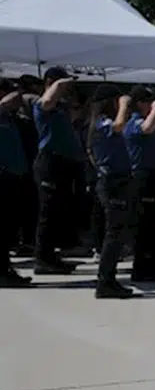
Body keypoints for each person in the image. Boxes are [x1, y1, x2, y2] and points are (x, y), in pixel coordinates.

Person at [30, 66, 85, 274]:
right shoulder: (42, 104)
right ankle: (42, 259)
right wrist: (60, 83)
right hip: (50, 162)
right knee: (48, 212)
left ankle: (51, 255)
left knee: (58, 212)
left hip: (64, 164)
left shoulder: (61, 107)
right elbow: (46, 101)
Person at [88, 85, 137, 299]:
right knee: (113, 233)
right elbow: (118, 126)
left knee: (118, 233)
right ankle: (105, 281)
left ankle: (109, 279)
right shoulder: (101, 122)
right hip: (112, 182)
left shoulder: (105, 122)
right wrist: (124, 104)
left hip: (119, 180)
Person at [123, 87, 155, 283]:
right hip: (142, 177)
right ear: (140, 104)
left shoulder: (147, 120)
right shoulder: (135, 122)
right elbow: (146, 128)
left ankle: (154, 264)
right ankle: (142, 268)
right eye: (148, 102)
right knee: (145, 226)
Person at [0, 79, 33, 287]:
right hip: (3, 176)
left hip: (15, 176)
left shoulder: (11, 118)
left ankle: (5, 269)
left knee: (10, 227)